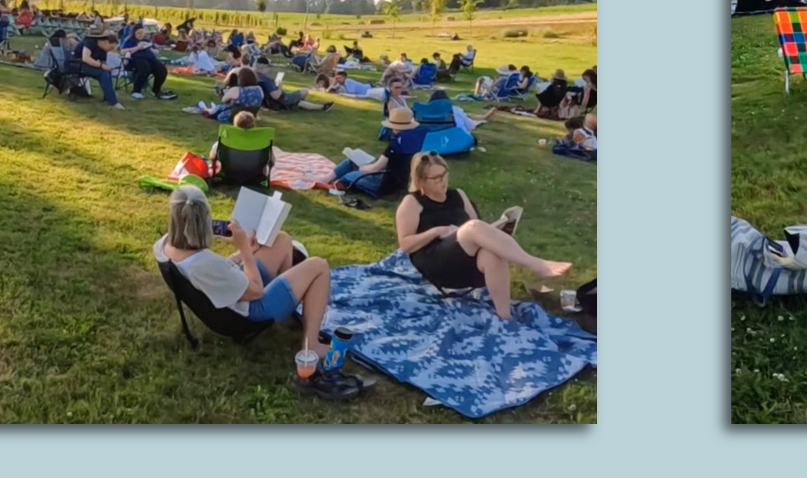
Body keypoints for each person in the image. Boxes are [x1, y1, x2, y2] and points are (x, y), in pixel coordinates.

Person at [155, 184, 360, 400]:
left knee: (281, 239)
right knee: (318, 266)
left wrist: (243, 254)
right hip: (250, 310)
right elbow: (256, 291)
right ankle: (311, 346)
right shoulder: (204, 264)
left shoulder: (164, 246)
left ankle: (293, 299)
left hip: (234, 289)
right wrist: (244, 250)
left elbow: (219, 274)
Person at [393, 152, 572, 320]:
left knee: (491, 252)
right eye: (436, 178)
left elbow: (478, 228)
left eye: (444, 174)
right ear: (421, 180)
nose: (442, 181)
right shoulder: (412, 202)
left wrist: (499, 231)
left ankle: (505, 316)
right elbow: (405, 245)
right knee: (473, 227)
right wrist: (437, 231)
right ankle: (537, 264)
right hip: (435, 262)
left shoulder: (458, 195)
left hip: (464, 259)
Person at [330, 106, 427, 196]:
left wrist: (364, 168)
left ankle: (330, 181)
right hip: (402, 179)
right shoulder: (419, 139)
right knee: (352, 162)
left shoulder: (396, 144)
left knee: (348, 176)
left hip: (384, 182)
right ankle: (327, 178)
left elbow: (376, 168)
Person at [121, 27, 178, 102]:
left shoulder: (147, 40)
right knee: (145, 68)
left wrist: (149, 47)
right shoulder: (130, 41)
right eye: (138, 33)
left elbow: (156, 52)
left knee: (162, 69)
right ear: (134, 33)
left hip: (151, 59)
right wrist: (138, 47)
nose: (140, 34)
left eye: (142, 32)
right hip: (137, 59)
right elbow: (123, 51)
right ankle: (136, 91)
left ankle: (156, 90)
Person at [73, 31, 125, 108]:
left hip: (84, 65)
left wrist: (107, 67)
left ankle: (108, 97)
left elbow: (103, 63)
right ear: (106, 42)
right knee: (102, 74)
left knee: (106, 72)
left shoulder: (103, 49)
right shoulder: (90, 42)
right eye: (111, 47)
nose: (110, 50)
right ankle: (113, 102)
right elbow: (85, 58)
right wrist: (101, 66)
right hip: (75, 64)